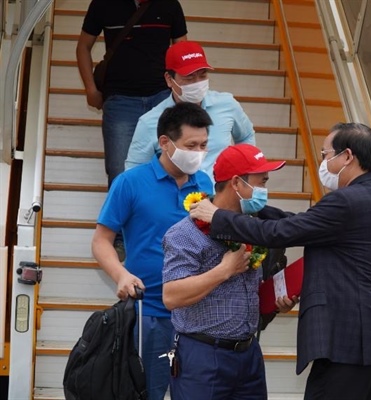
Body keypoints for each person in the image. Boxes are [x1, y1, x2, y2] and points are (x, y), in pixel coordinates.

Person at [190, 122, 371, 400]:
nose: (323, 162)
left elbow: (280, 233)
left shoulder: (348, 200)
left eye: (326, 155)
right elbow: (304, 224)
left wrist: (217, 216)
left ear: (347, 156)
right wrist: (253, 207)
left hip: (350, 349)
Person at [91, 102, 214, 400]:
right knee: (147, 392)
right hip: (150, 313)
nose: (198, 152)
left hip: (198, 314)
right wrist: (121, 275)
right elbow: (101, 241)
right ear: (165, 142)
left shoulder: (205, 183)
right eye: (191, 145)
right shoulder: (130, 183)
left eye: (203, 145)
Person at [162, 143, 296, 400]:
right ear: (236, 183)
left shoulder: (253, 228)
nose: (265, 190)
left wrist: (277, 301)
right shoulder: (185, 233)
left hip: (249, 353)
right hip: (203, 356)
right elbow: (171, 296)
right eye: (262, 181)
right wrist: (224, 270)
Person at [76, 0, 188, 259]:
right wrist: (91, 88)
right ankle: (120, 237)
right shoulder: (102, 3)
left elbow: (182, 52)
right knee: (119, 170)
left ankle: (172, 233)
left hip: (162, 97)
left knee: (170, 167)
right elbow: (83, 47)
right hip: (120, 100)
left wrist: (182, 92)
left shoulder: (170, 4)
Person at [125, 40, 255, 183]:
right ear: (169, 79)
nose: (197, 82)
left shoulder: (227, 104)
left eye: (202, 76)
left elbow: (246, 136)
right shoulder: (150, 122)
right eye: (189, 77)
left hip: (219, 194)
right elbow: (134, 173)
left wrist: (241, 173)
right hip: (175, 195)